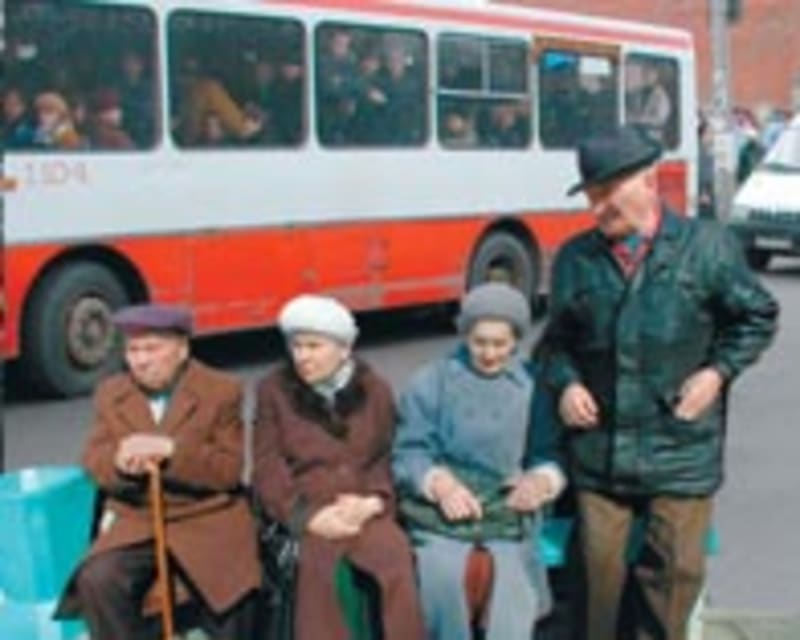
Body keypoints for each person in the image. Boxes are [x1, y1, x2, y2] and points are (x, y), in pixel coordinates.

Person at [536, 125, 779, 640]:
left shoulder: (707, 247)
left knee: (673, 581)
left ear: (648, 180)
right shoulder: (576, 259)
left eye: (608, 192)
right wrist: (568, 384)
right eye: (591, 196)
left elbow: (757, 315)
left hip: (680, 452)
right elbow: (554, 345)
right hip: (600, 454)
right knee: (595, 584)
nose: (597, 208)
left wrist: (717, 372)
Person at [56, 304, 262, 640]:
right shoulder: (111, 393)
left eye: (152, 349)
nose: (141, 361)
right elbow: (94, 460)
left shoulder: (221, 390)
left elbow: (227, 470)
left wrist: (172, 451)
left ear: (182, 349)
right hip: (139, 519)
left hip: (206, 516)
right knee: (98, 579)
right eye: (133, 350)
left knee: (232, 590)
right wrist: (119, 462)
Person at [393, 283, 566, 640]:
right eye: (479, 342)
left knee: (513, 581)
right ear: (465, 335)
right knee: (442, 575)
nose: (489, 353)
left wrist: (539, 480)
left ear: (515, 340)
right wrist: (438, 483)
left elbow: (548, 452)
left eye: (500, 344)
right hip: (441, 513)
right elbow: (410, 450)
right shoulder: (432, 380)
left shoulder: (532, 385)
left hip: (507, 511)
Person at [252, 295, 424, 640]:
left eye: (314, 346)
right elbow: (267, 467)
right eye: (296, 346)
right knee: (316, 574)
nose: (302, 356)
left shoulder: (375, 389)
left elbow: (386, 456)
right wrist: (307, 517)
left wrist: (373, 502)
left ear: (344, 349)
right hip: (308, 510)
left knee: (394, 557)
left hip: (363, 507)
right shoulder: (274, 390)